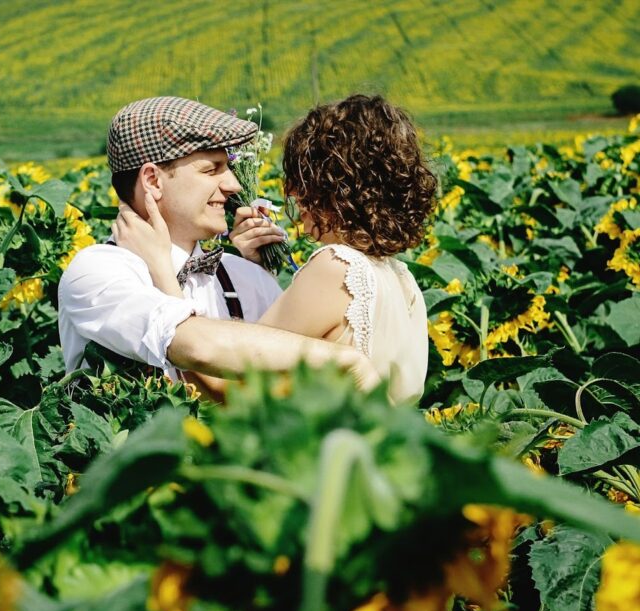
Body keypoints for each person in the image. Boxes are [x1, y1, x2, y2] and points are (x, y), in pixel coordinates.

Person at [116, 94, 434, 404]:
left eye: (302, 176)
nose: (293, 192)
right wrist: (255, 269)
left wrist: (162, 273)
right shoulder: (403, 281)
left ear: (335, 186)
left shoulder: (336, 268)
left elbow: (231, 387)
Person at [57, 96, 379, 394]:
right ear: (153, 181)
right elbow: (191, 344)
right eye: (211, 169)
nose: (233, 185)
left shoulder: (246, 276)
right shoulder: (98, 271)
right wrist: (345, 361)